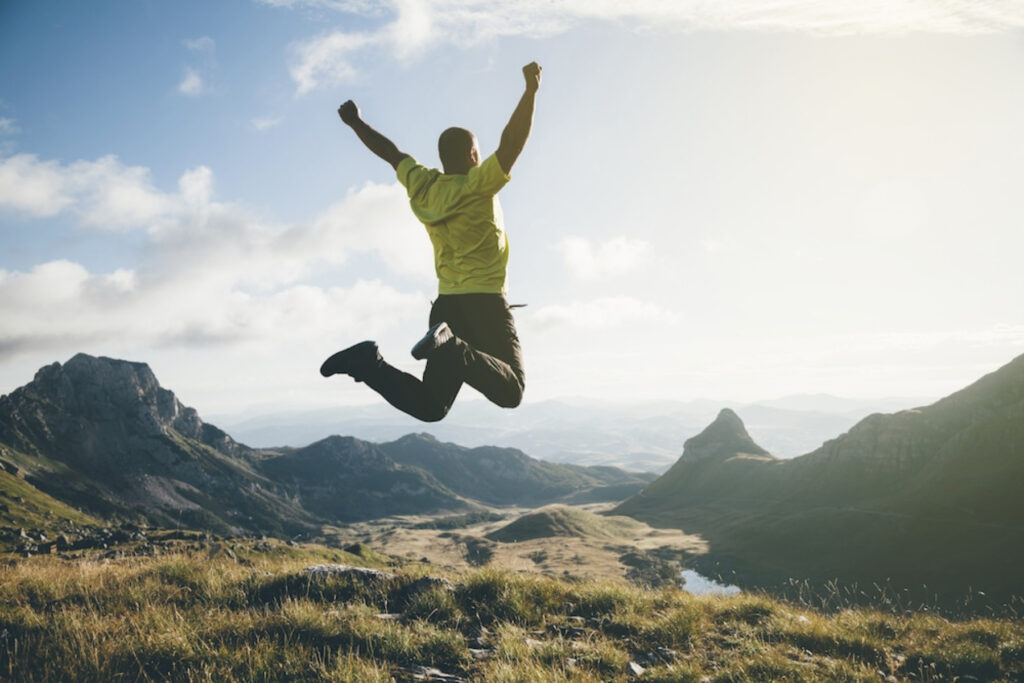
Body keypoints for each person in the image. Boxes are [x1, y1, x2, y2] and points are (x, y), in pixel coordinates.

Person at [320, 62, 542, 422]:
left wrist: (356, 123)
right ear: (474, 157)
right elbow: (513, 141)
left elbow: (391, 152)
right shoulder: (478, 184)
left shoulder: (422, 185)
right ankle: (452, 346)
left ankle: (368, 364)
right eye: (479, 153)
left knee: (431, 406)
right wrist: (530, 91)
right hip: (485, 303)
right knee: (512, 391)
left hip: (447, 309)